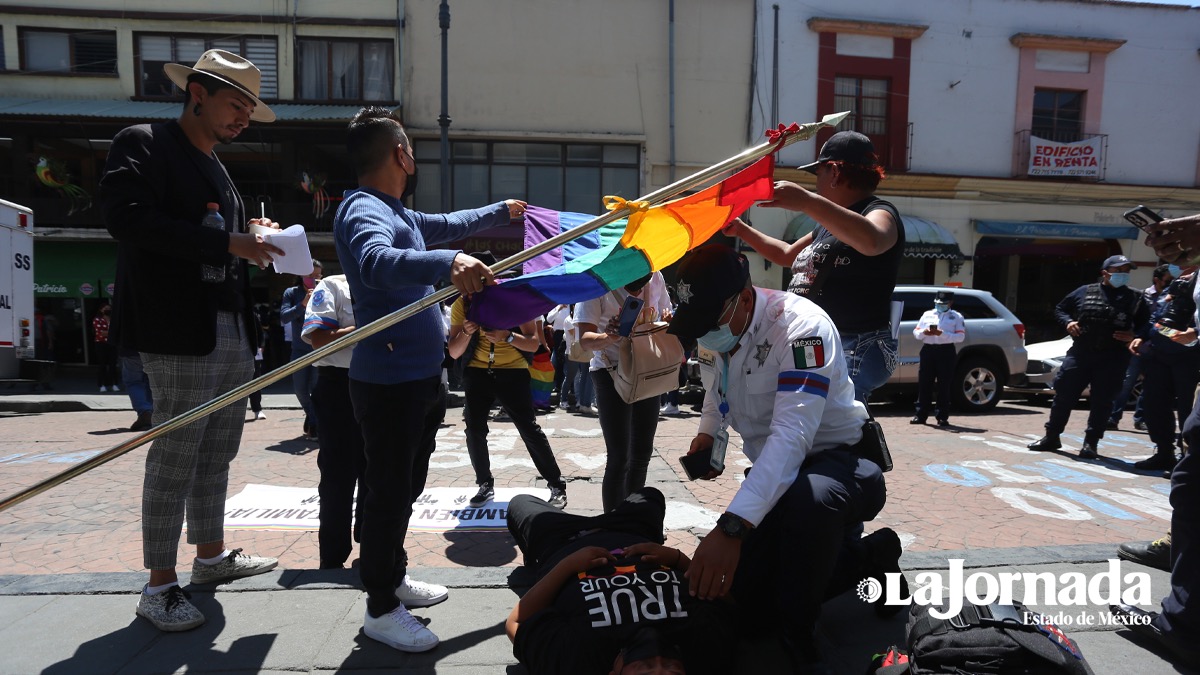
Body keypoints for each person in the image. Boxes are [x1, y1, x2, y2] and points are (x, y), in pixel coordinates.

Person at [101, 48, 283, 632]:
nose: (243, 119)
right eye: (235, 105)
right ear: (197, 92)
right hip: (176, 325)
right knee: (176, 454)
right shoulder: (145, 142)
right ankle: (159, 586)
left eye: (250, 110)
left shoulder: (216, 165)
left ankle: (209, 558)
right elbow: (126, 220)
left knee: (217, 449)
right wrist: (228, 244)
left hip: (226, 321)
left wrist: (250, 236)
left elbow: (214, 238)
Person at [333, 105, 526, 653]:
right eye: (411, 147)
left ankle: (390, 577)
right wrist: (447, 263)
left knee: (405, 488)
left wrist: (505, 210)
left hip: (420, 379)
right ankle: (379, 607)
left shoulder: (401, 213)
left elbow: (456, 224)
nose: (413, 155)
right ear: (400, 154)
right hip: (388, 384)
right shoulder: (362, 210)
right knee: (387, 495)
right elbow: (374, 260)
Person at [666, 244, 900, 671]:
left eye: (707, 323)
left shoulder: (801, 330)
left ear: (746, 297)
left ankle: (801, 631)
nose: (703, 335)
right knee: (749, 603)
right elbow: (717, 392)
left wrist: (732, 527)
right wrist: (707, 436)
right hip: (781, 475)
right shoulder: (720, 326)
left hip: (841, 467)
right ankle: (869, 557)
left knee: (809, 509)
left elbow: (792, 435)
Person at [723, 130, 904, 404]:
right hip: (821, 340)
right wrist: (741, 230)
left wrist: (807, 202)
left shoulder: (879, 211)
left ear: (833, 172)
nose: (816, 183)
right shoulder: (827, 223)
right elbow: (786, 254)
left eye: (817, 174)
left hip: (854, 343)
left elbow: (873, 241)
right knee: (812, 424)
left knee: (834, 429)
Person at [505, 486, 737, 675]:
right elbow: (731, 604)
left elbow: (516, 623)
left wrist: (567, 566)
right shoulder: (705, 648)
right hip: (633, 532)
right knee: (650, 495)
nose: (657, 662)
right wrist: (678, 559)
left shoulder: (579, 662)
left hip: (562, 540)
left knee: (519, 502)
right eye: (671, 671)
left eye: (645, 673)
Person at [1111, 213, 1200, 669]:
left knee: (1193, 490)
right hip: (1171, 357)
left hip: (1184, 362)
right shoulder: (1168, 290)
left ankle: (1183, 626)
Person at [448, 294, 568, 510]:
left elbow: (533, 345)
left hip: (513, 372)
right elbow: (455, 351)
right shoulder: (462, 304)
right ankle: (484, 483)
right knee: (474, 429)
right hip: (477, 372)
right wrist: (467, 331)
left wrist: (507, 336)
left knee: (529, 429)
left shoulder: (515, 300)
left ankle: (556, 485)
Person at [1028, 255, 1150, 459]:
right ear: (1105, 272)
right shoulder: (1084, 291)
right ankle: (1052, 436)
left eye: (1127, 271)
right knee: (1064, 395)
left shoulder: (1136, 298)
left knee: (1103, 401)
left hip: (1113, 356)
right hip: (1082, 352)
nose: (1123, 275)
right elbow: (1060, 309)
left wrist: (1135, 336)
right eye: (1119, 271)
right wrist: (1068, 322)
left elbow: (1147, 324)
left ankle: (1091, 443)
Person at [576, 271, 674, 512]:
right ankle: (612, 525)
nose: (638, 290)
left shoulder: (656, 278)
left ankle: (631, 519)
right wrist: (609, 336)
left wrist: (667, 322)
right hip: (610, 370)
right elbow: (585, 340)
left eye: (644, 281)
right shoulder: (597, 280)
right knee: (619, 457)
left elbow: (666, 316)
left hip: (646, 367)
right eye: (632, 287)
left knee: (641, 454)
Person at [300, 273, 366, 569]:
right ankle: (333, 554)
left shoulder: (393, 285)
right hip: (339, 387)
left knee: (381, 473)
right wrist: (363, 329)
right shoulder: (333, 286)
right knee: (337, 476)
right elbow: (318, 339)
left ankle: (374, 545)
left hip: (385, 385)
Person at [1129, 270, 1199, 471]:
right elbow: (1159, 317)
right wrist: (1142, 336)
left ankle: (1187, 459)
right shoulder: (1178, 287)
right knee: (1154, 405)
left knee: (1188, 410)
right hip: (1160, 355)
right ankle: (1163, 452)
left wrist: (1196, 332)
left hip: (1189, 358)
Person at [1109, 263, 1177, 431]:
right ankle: (1112, 417)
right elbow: (1135, 320)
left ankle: (1141, 418)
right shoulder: (1141, 296)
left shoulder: (1175, 297)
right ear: (1157, 280)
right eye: (1168, 280)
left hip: (1159, 348)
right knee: (1126, 383)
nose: (1171, 283)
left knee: (1150, 386)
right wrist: (1134, 337)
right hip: (1138, 348)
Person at [910, 290, 966, 426]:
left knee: (944, 384)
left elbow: (960, 337)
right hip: (928, 350)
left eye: (944, 303)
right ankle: (921, 415)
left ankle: (942, 416)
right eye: (938, 303)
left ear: (950, 303)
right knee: (924, 383)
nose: (940, 306)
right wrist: (925, 332)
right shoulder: (928, 314)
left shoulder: (956, 317)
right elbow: (916, 332)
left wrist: (942, 334)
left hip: (946, 351)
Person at [280, 260, 322, 438]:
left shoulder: (324, 291)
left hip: (318, 348)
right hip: (299, 349)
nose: (313, 279)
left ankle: (314, 424)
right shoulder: (291, 293)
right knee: (300, 389)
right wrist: (302, 304)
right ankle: (312, 417)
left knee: (315, 387)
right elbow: (284, 317)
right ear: (301, 275)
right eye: (310, 275)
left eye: (317, 275)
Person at [120, 347, 154, 431]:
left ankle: (145, 411)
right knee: (151, 381)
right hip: (154, 350)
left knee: (134, 382)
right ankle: (151, 411)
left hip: (132, 349)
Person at [93, 302, 119, 392]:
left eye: (109, 308)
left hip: (112, 344)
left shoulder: (113, 319)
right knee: (102, 364)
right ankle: (102, 384)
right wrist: (112, 332)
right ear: (101, 310)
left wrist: (110, 332)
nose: (107, 310)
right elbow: (101, 333)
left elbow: (118, 331)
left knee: (113, 364)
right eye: (105, 308)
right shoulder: (97, 319)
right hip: (101, 344)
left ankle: (114, 383)